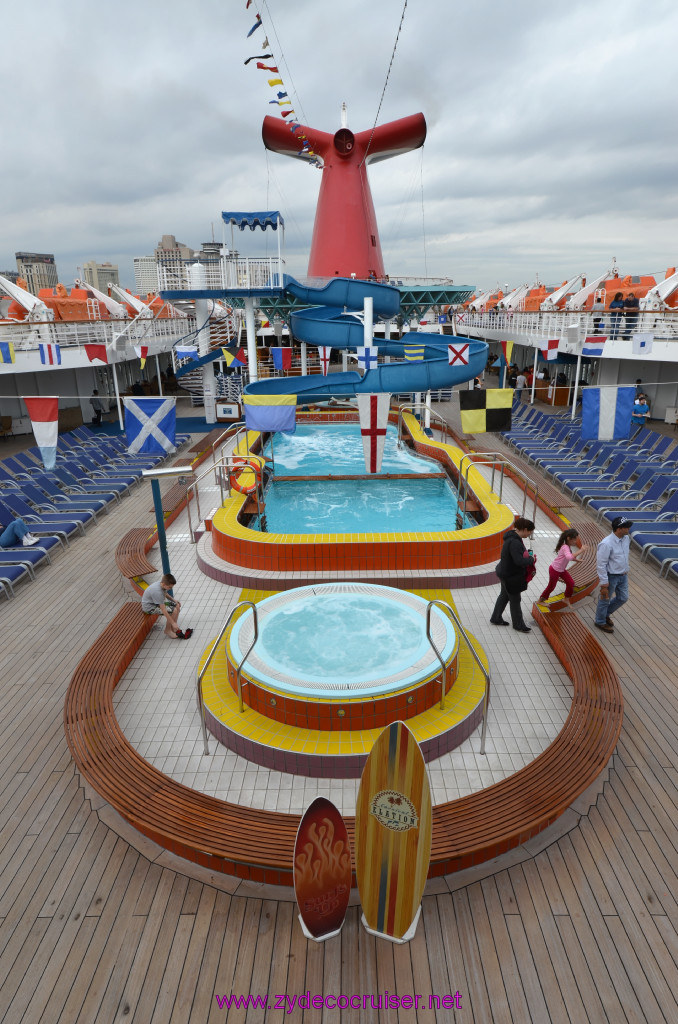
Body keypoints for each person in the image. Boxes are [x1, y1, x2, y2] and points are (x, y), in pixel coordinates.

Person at [490, 517, 536, 632]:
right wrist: (531, 560)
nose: (530, 534)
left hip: (504, 572)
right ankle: (518, 624)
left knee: (504, 596)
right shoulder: (515, 542)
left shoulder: (511, 537)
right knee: (515, 600)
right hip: (510, 575)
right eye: (530, 532)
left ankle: (496, 618)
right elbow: (519, 561)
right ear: (525, 529)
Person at [594, 516, 632, 633]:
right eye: (626, 527)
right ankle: (600, 621)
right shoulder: (606, 544)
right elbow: (601, 564)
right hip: (611, 576)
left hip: (623, 575)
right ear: (619, 529)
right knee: (605, 599)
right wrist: (604, 583)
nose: (629, 529)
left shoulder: (626, 539)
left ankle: (605, 614)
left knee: (623, 598)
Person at [539, 528, 586, 606]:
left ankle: (566, 598)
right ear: (568, 538)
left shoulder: (567, 546)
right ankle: (540, 600)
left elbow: (567, 557)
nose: (575, 542)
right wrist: (581, 550)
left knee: (571, 583)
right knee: (551, 587)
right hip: (554, 569)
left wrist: (576, 560)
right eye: (574, 540)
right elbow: (569, 557)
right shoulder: (565, 547)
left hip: (561, 570)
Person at [141, 573, 193, 640]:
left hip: (156, 602)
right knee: (173, 611)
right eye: (170, 587)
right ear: (164, 584)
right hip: (149, 607)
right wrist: (173, 622)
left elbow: (165, 593)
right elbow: (163, 610)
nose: (170, 588)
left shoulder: (161, 584)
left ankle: (173, 627)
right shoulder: (157, 592)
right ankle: (168, 630)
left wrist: (174, 600)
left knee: (177, 606)